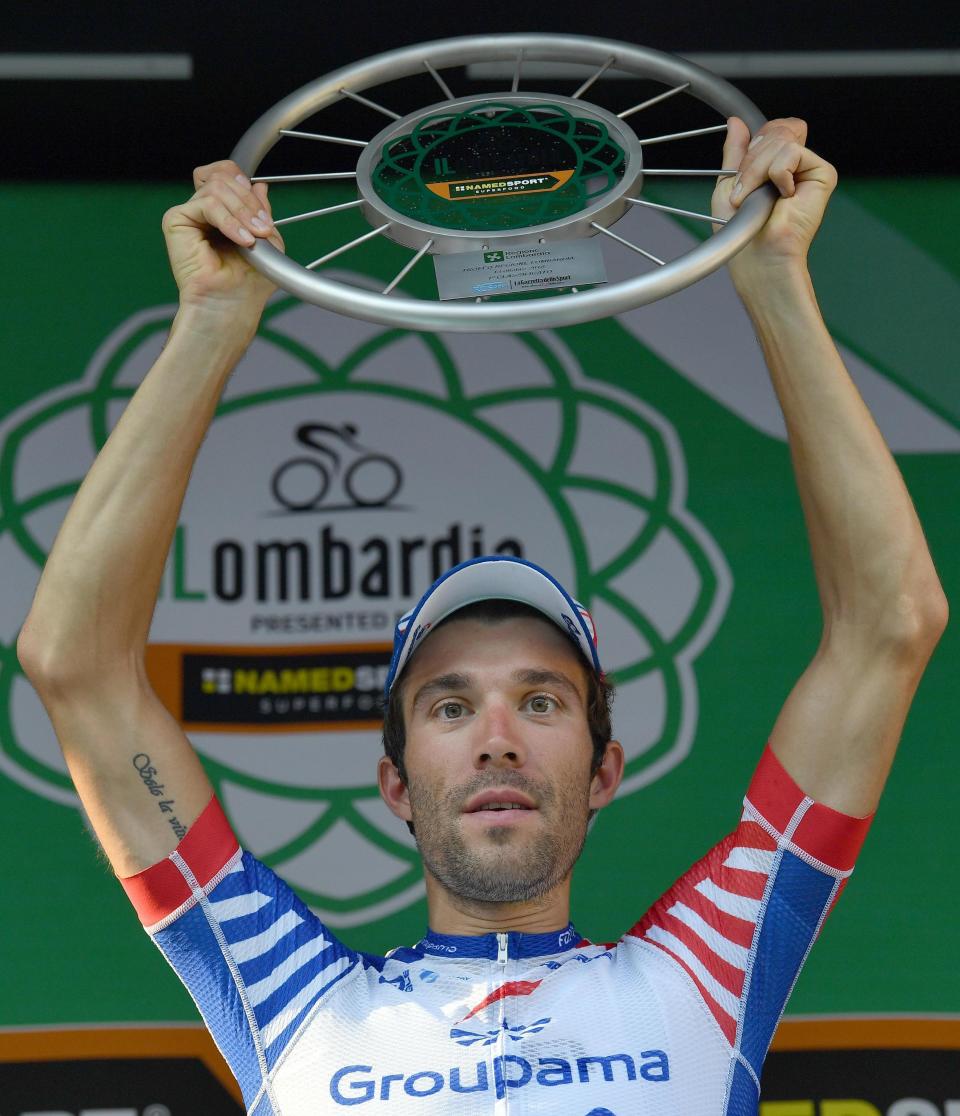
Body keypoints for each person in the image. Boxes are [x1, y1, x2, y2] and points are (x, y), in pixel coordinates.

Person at [17, 116, 947, 1114]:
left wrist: (775, 285)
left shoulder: (706, 977)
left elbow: (891, 623)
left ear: (604, 772)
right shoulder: (286, 1002)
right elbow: (73, 663)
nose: (497, 740)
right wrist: (208, 325)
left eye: (542, 703)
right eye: (451, 708)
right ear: (394, 782)